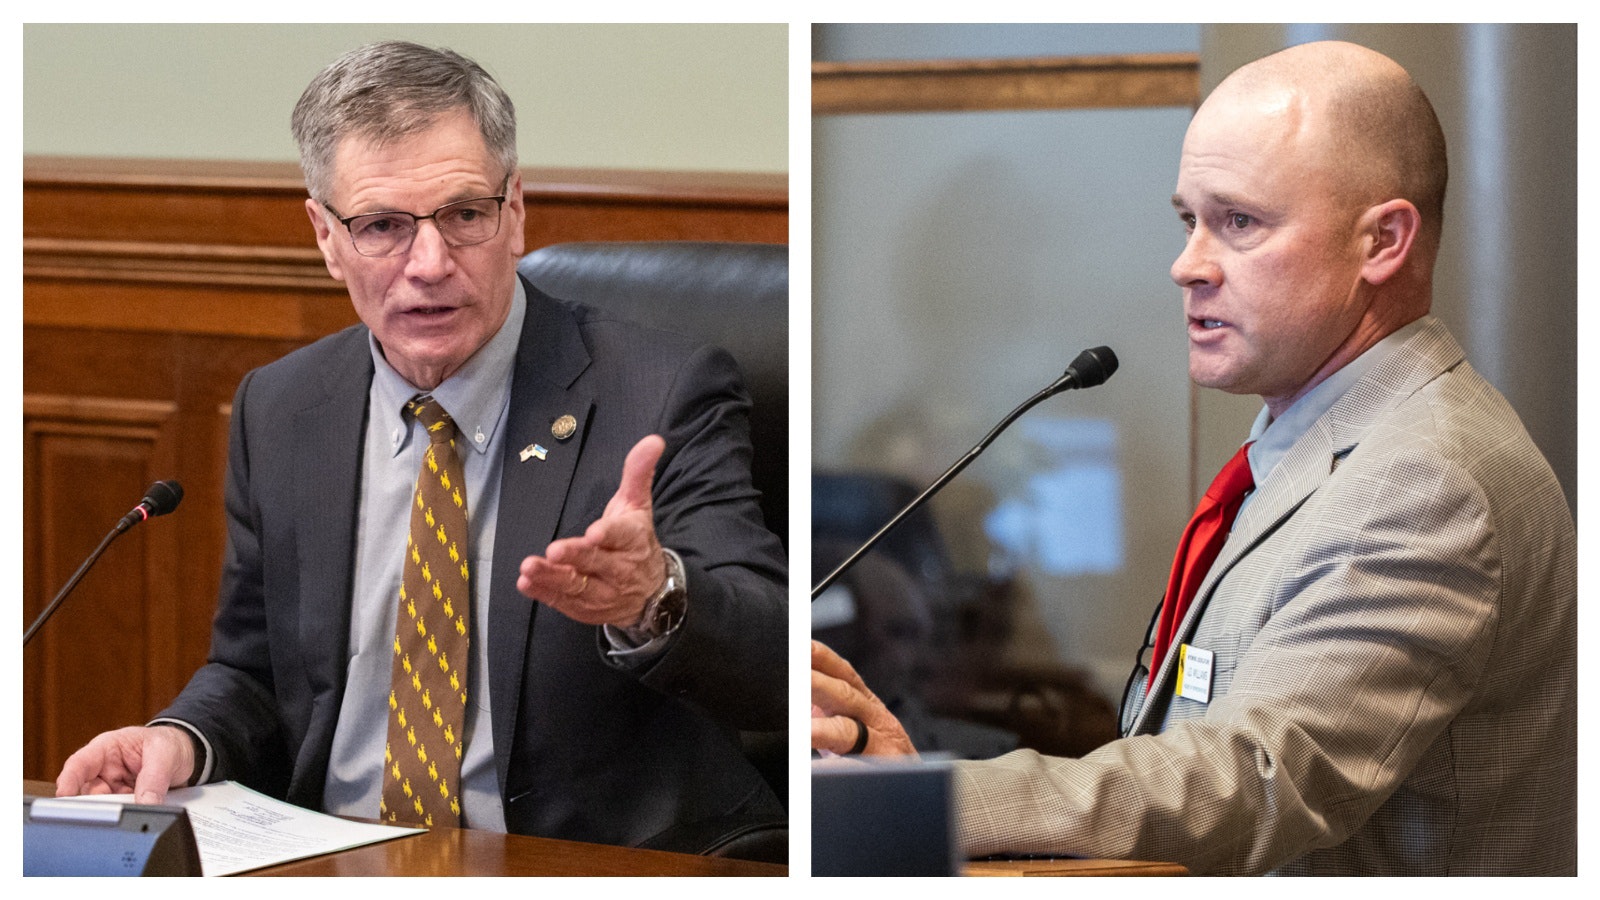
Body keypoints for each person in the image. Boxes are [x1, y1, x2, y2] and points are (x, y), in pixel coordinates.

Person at [812, 40, 1575, 876]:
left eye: (1239, 222)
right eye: (1190, 220)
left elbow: (1250, 777)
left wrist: (934, 799)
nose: (1187, 265)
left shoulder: (1425, 480)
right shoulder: (1316, 442)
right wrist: (911, 776)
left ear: (1382, 241)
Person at [56, 41, 787, 850]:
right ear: (326, 236)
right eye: (382, 227)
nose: (430, 264)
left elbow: (776, 661)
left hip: (573, 863)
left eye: (464, 215)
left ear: (515, 211)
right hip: (331, 858)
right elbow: (255, 671)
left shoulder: (658, 393)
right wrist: (181, 740)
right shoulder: (284, 407)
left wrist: (655, 597)